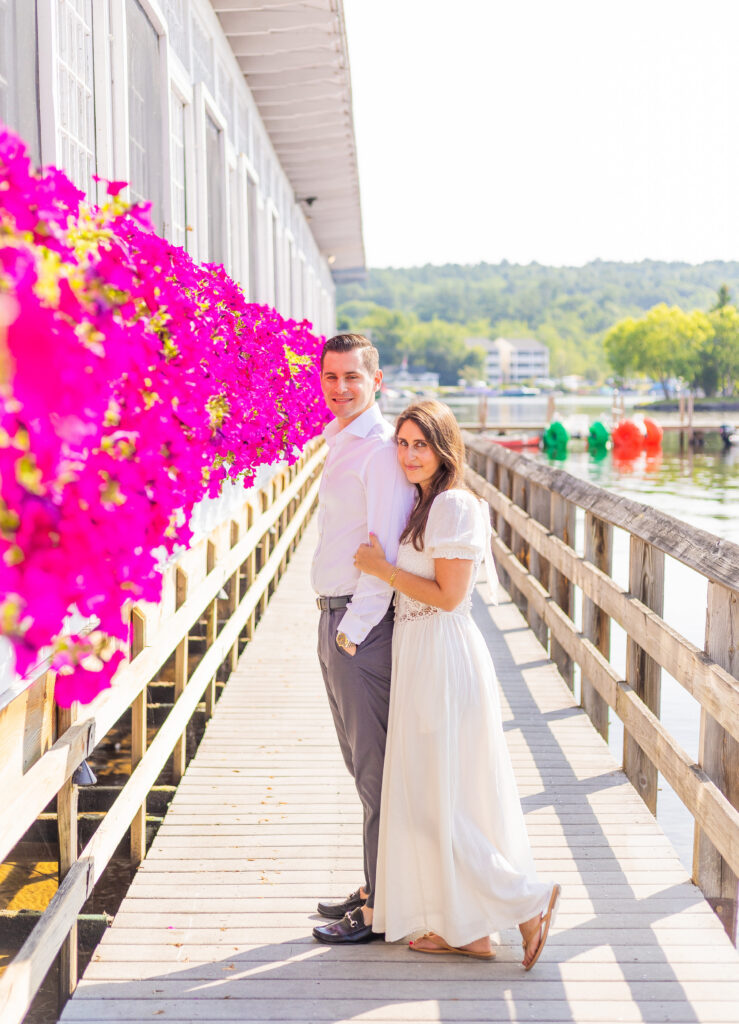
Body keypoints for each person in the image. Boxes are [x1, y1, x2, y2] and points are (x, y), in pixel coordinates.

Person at [354, 399, 560, 969]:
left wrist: (381, 570)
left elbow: (450, 596)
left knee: (437, 797)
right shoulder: (424, 506)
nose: (409, 454)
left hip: (443, 655)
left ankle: (526, 901)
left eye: (421, 444)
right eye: (402, 443)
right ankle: (466, 929)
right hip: (419, 652)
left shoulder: (455, 505)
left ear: (444, 448)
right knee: (433, 796)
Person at [311, 334, 416, 946]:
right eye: (331, 376)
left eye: (353, 377)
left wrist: (350, 634)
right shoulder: (343, 442)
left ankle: (381, 909)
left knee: (375, 770)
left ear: (376, 381)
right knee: (361, 765)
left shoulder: (378, 452)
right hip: (335, 616)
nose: (340, 388)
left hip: (359, 624)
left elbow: (387, 552)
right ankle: (378, 883)